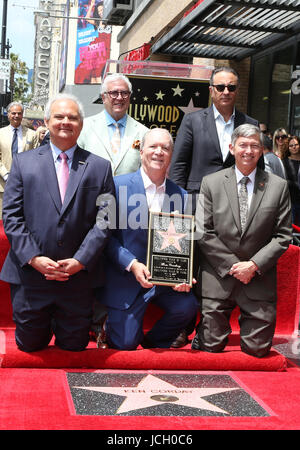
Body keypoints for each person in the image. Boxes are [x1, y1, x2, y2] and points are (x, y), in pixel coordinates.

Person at [0, 94, 115, 353]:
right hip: (31, 277)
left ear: (81, 124)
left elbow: (105, 220)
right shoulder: (23, 163)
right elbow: (12, 215)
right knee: (30, 345)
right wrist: (33, 258)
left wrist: (81, 260)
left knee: (73, 348)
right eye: (59, 116)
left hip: (77, 279)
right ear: (47, 121)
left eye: (72, 117)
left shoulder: (100, 167)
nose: (66, 122)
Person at [192, 124, 292, 358]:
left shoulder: (278, 186)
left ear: (261, 150)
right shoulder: (211, 183)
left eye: (254, 145)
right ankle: (202, 333)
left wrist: (253, 266)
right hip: (219, 277)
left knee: (258, 350)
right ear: (232, 148)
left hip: (258, 278)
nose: (248, 150)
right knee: (211, 347)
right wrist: (233, 267)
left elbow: (283, 235)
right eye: (243, 145)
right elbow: (204, 231)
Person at [99, 128, 198, 350]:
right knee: (124, 344)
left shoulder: (182, 196)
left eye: (165, 148)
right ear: (141, 150)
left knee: (188, 306)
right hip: (126, 278)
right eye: (153, 146)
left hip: (164, 283)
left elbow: (184, 246)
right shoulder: (116, 186)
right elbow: (104, 238)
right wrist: (131, 264)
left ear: (171, 154)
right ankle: (109, 328)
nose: (158, 152)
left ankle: (154, 341)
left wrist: (183, 274)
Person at [168, 67, 260, 212]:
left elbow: (258, 167)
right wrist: (177, 202)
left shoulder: (250, 124)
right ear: (211, 91)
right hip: (197, 200)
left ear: (237, 90)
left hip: (236, 203)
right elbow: (179, 164)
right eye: (220, 87)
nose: (226, 92)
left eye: (231, 87)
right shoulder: (192, 121)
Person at [78, 73, 148, 175]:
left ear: (129, 97)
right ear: (103, 97)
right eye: (114, 93)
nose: (119, 98)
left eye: (124, 93)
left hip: (128, 190)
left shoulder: (143, 132)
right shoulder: (84, 127)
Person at [0, 102, 36, 218]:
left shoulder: (32, 134)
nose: (16, 116)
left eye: (19, 113)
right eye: (13, 113)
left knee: (21, 217)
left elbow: (36, 158)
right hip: (3, 184)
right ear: (8, 114)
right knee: (3, 218)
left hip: (24, 184)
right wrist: (6, 175)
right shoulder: (0, 133)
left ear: (22, 115)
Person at [282, 135, 300, 226]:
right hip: (290, 201)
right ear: (288, 148)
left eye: (296, 145)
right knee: (290, 229)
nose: (294, 147)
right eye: (291, 145)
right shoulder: (284, 162)